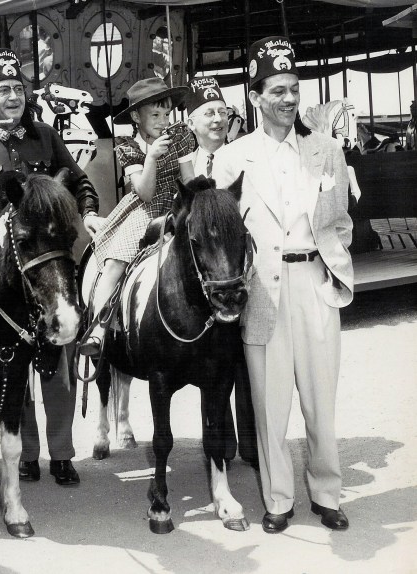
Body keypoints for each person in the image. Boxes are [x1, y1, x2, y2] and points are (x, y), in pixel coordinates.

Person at [213, 36, 353, 534]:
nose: (289, 99)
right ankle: (277, 500)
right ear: (255, 98)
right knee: (270, 405)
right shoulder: (231, 159)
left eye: (294, 88)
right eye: (277, 91)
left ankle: (327, 495)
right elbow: (225, 233)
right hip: (263, 292)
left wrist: (334, 267)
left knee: (321, 400)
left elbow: (340, 221)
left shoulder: (327, 149)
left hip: (315, 282)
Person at [0, 48, 102, 486]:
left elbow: (79, 179)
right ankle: (27, 453)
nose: (13, 97)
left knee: (58, 366)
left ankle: (63, 454)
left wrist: (86, 211)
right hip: (4, 271)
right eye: (3, 90)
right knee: (14, 369)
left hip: (46, 267)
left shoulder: (45, 135)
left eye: (18, 88)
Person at [79, 77, 195, 356]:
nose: (162, 121)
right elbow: (144, 192)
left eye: (166, 114)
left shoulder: (178, 137)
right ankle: (98, 327)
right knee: (117, 260)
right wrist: (152, 158)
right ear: (135, 117)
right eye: (155, 114)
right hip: (146, 208)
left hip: (178, 202)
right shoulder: (128, 147)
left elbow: (189, 179)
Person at [184, 75, 258, 465]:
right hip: (204, 281)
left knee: (245, 360)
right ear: (190, 123)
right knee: (208, 362)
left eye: (221, 112)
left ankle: (253, 444)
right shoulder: (182, 166)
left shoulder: (246, 156)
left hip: (238, 273)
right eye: (206, 113)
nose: (216, 120)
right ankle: (220, 444)